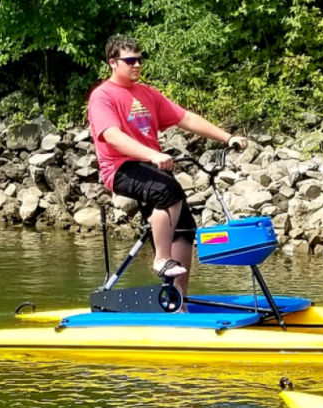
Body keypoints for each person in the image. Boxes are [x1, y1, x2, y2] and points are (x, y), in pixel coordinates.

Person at [87, 35, 247, 305]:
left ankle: (178, 302)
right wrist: (152, 154)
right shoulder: (102, 96)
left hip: (151, 167)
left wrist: (226, 137)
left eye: (140, 58)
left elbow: (185, 117)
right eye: (130, 60)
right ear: (113, 63)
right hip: (121, 168)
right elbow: (112, 136)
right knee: (168, 191)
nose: (137, 64)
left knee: (185, 229)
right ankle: (161, 258)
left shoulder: (147, 93)